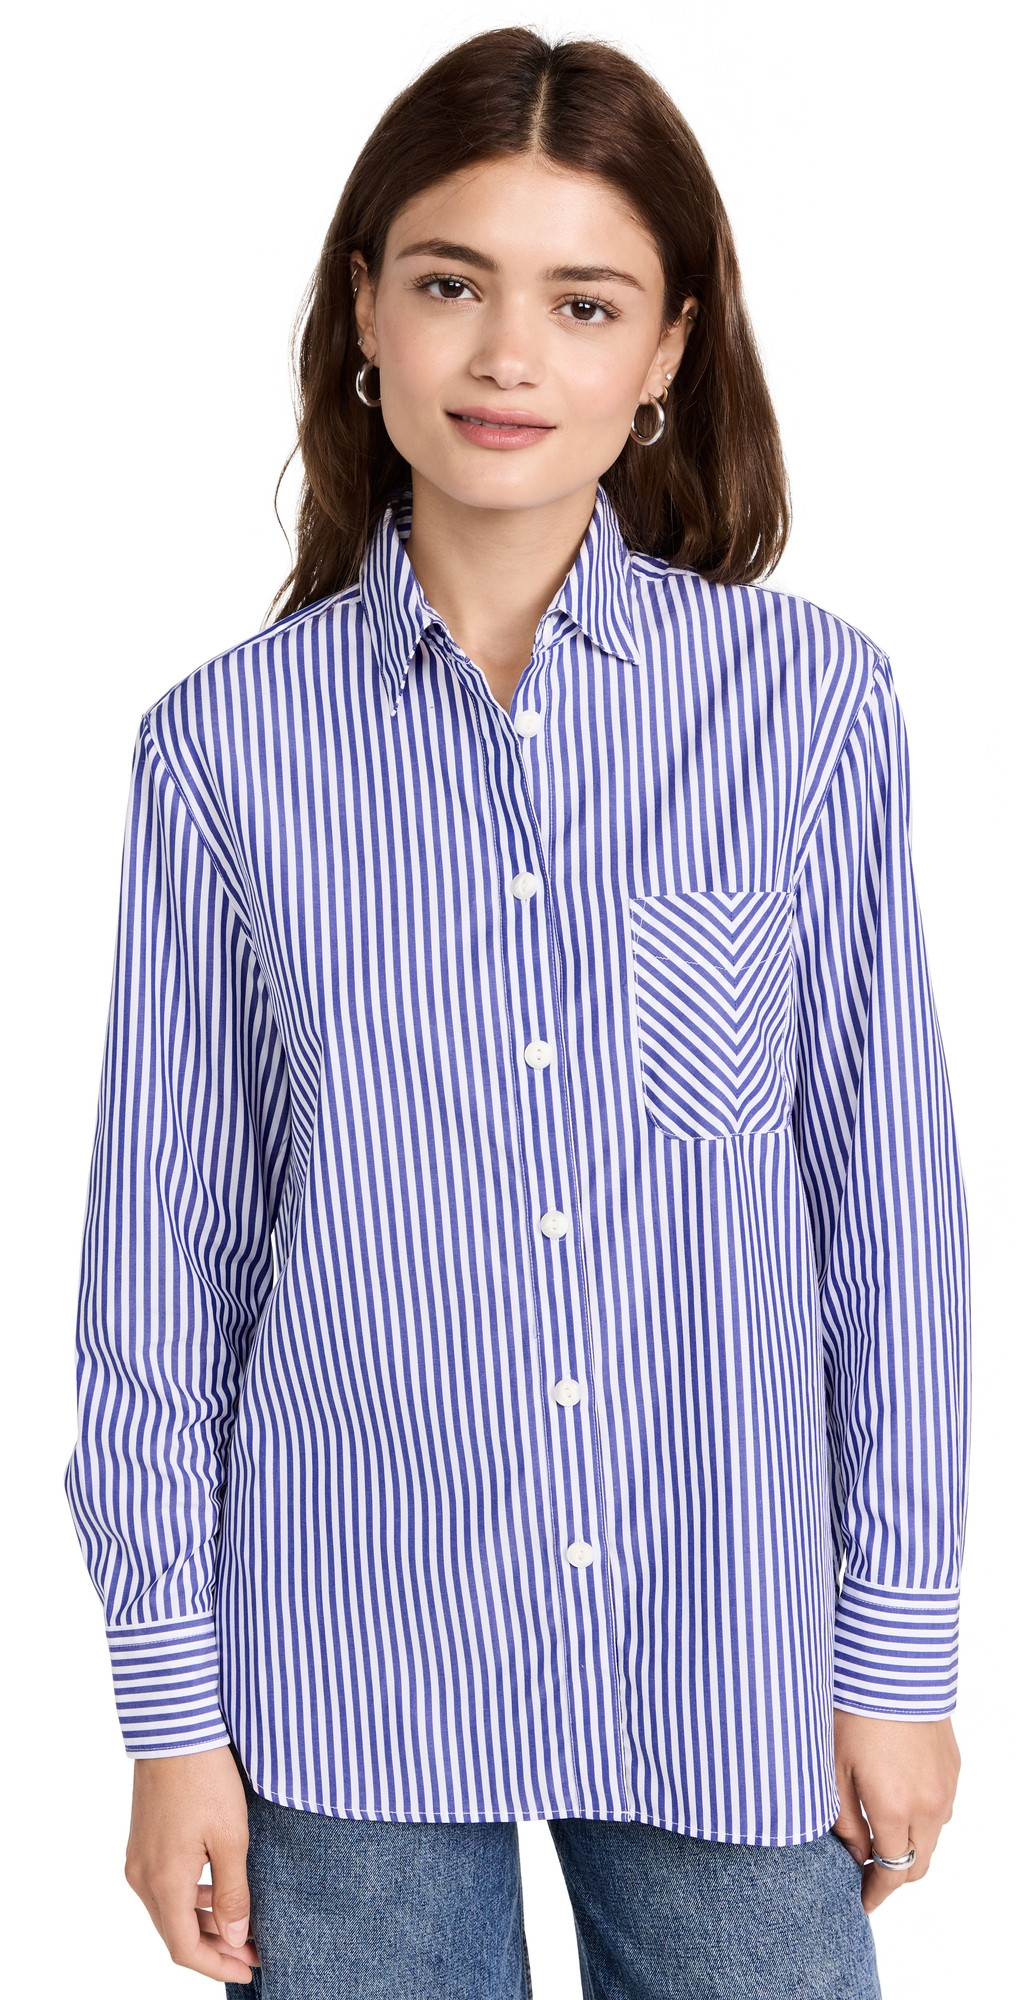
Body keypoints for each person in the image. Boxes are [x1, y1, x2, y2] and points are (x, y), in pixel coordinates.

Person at [62, 26, 971, 2000]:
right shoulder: (221, 752)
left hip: (723, 1650)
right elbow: (162, 1262)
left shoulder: (806, 711)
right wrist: (168, 1713)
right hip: (342, 1670)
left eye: (583, 302)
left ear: (667, 352)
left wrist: (899, 1650)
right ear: (364, 314)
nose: (505, 357)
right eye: (452, 281)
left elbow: (886, 1211)